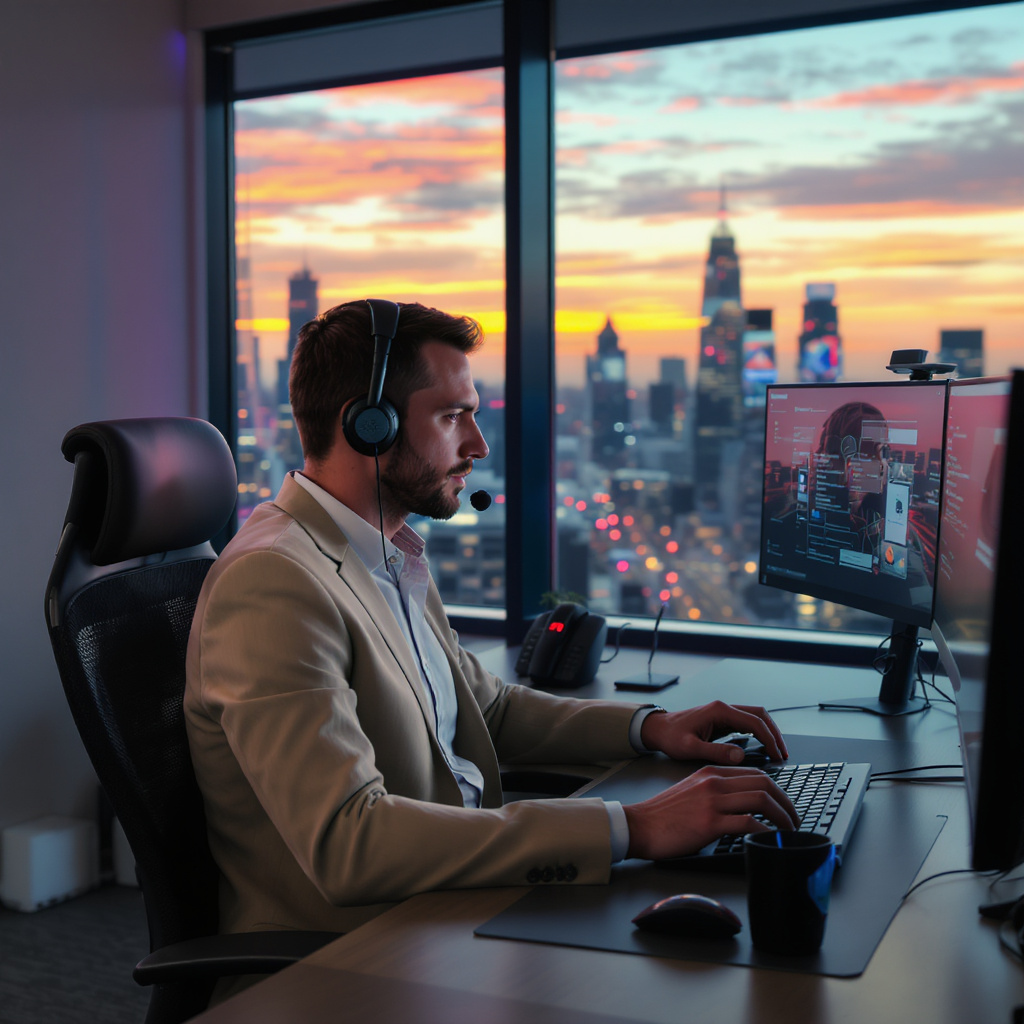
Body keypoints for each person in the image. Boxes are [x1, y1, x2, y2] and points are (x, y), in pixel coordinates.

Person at [184, 299, 797, 946]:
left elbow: (490, 711)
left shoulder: (386, 554)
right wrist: (633, 828)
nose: (477, 446)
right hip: (358, 957)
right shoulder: (276, 583)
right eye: (453, 417)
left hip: (451, 907)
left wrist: (653, 728)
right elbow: (348, 842)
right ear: (368, 426)